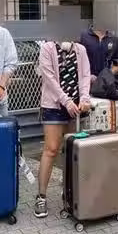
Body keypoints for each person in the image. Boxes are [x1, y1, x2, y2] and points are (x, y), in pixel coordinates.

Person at [35, 38, 91, 218]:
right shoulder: (47, 48)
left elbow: (85, 76)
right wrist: (66, 101)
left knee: (72, 151)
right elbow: (49, 79)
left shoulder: (80, 49)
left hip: (76, 107)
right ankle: (41, 196)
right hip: (54, 106)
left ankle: (70, 193)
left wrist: (84, 98)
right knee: (51, 149)